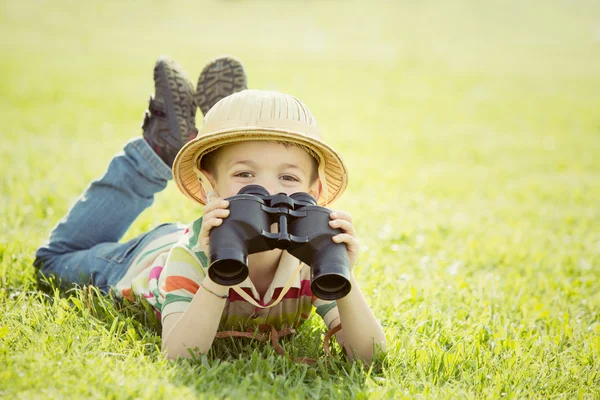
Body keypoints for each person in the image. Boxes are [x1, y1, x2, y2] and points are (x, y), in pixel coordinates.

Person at [34, 55, 386, 363]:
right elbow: (180, 355)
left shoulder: (311, 263)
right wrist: (219, 275)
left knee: (243, 154)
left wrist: (345, 278)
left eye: (288, 178)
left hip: (212, 231)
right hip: (143, 259)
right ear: (209, 189)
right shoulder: (190, 258)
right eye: (245, 175)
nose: (267, 192)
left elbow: (368, 356)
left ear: (317, 193)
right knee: (54, 260)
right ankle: (157, 152)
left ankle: (229, 129)